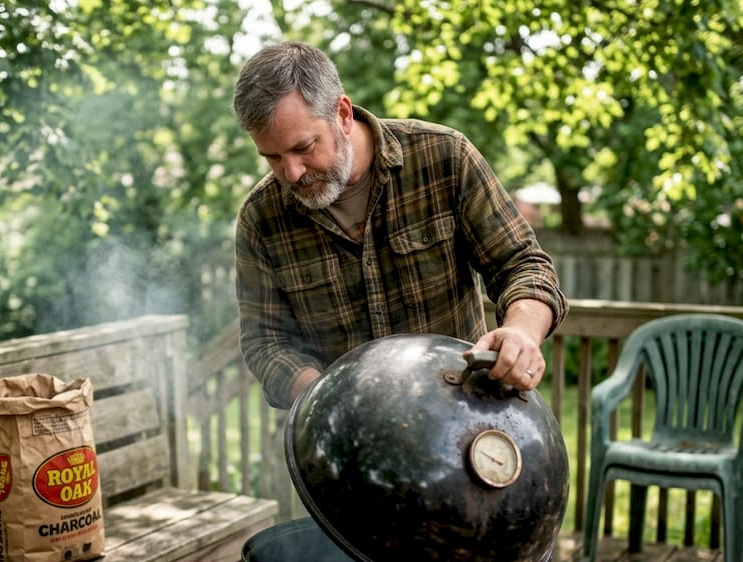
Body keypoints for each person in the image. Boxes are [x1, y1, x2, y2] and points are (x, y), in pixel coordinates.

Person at [232, 40, 568, 409]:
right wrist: (323, 395)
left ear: (342, 114)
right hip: (348, 434)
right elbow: (265, 340)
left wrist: (521, 331)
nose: (292, 173)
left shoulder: (445, 158)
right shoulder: (259, 219)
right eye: (273, 157)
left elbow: (523, 265)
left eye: (304, 147)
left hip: (463, 415)